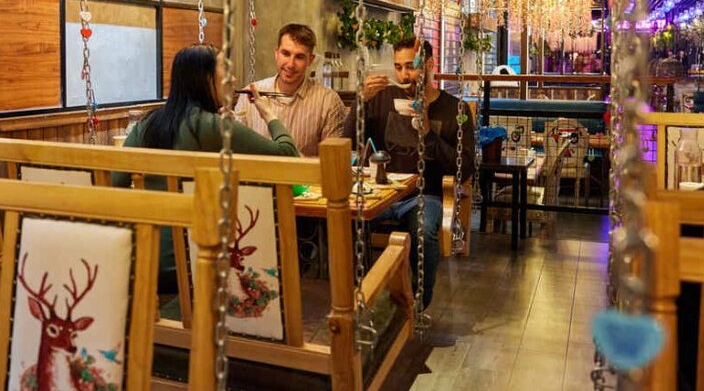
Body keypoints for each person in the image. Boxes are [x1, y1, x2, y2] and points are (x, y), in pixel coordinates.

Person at [113, 44, 299, 293]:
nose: (232, 78)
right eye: (225, 68)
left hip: (142, 260)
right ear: (204, 78)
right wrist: (268, 113)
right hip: (194, 264)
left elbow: (113, 182)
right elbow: (288, 156)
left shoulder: (148, 123)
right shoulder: (214, 127)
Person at [343, 37, 475, 308]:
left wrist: (427, 131)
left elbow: (463, 169)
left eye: (411, 67)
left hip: (425, 195)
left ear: (428, 65)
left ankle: (416, 302)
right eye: (399, 67)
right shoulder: (382, 99)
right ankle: (359, 298)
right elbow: (349, 143)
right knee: (343, 221)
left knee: (424, 231)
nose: (404, 75)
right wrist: (360, 102)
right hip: (382, 191)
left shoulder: (455, 110)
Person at [235, 23, 346, 157]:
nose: (291, 64)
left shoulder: (328, 102)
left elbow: (331, 162)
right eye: (286, 54)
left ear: (310, 60)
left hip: (304, 177)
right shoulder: (249, 95)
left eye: (299, 57)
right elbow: (237, 152)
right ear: (276, 53)